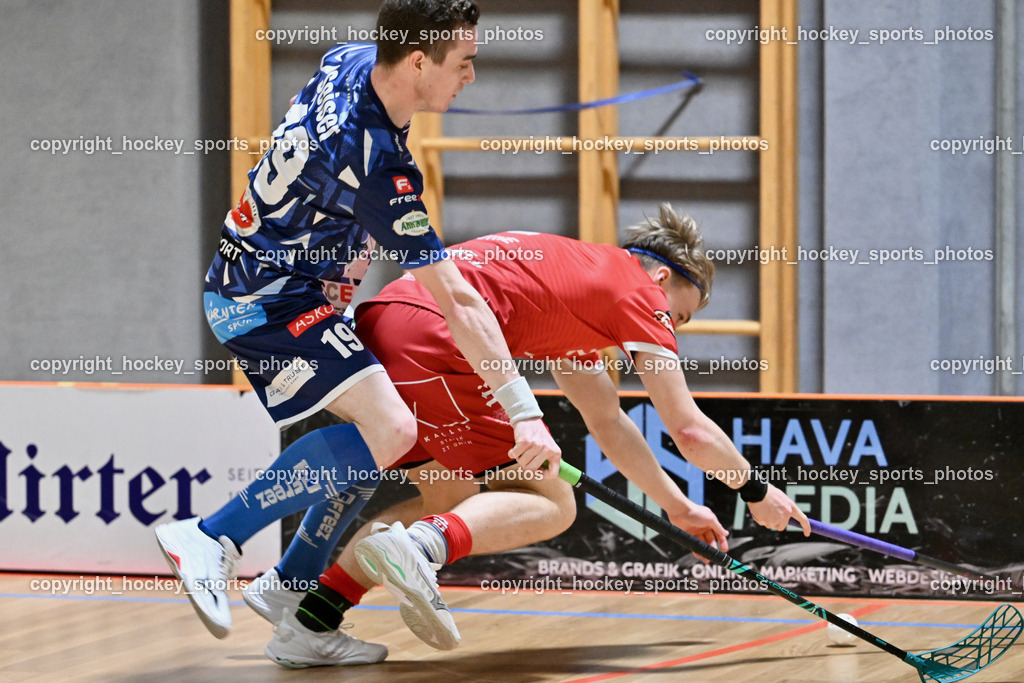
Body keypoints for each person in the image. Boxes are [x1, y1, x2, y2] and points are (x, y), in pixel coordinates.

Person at [241, 206, 813, 668]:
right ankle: (418, 548)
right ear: (663, 277)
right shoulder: (639, 294)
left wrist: (679, 506)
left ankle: (312, 623)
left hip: (385, 324)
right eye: (680, 315)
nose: (671, 328)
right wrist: (755, 491)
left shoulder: (576, 290)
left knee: (448, 500)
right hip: (438, 339)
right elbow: (687, 427)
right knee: (551, 502)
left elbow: (608, 422)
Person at [154, 0, 559, 650]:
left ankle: (291, 594)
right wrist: (524, 411)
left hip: (271, 281)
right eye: (465, 62)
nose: (472, 77)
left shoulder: (350, 62)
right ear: (420, 61)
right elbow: (457, 301)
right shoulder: (377, 165)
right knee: (393, 427)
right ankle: (211, 535)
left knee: (375, 437)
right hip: (266, 299)